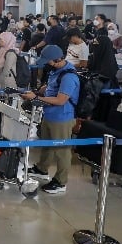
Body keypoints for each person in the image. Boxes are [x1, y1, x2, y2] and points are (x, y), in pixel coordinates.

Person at [21, 45, 80, 194]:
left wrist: (36, 98)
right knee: (46, 144)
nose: (47, 64)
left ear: (57, 59)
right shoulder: (56, 71)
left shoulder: (69, 76)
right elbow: (49, 87)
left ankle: (61, 182)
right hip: (50, 114)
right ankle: (42, 169)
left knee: (62, 151)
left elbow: (61, 100)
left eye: (48, 61)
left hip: (62, 117)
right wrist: (36, 92)